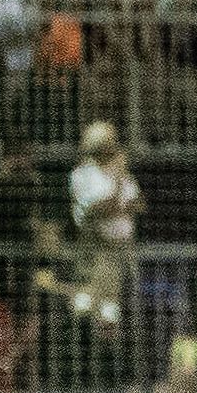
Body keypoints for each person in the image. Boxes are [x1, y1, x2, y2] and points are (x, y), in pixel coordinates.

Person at [69, 122, 140, 378]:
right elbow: (104, 208)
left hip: (122, 253)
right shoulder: (81, 176)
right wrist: (119, 185)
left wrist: (119, 192)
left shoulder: (121, 175)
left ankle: (117, 378)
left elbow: (136, 205)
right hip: (95, 254)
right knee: (89, 314)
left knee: (115, 317)